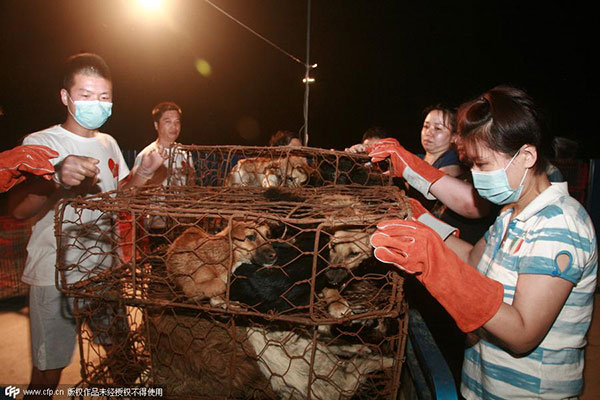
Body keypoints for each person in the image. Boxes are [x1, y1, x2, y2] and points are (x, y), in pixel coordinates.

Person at [371, 85, 597, 399]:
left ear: (527, 156)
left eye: (483, 165)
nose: (475, 176)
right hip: (482, 386)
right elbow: (472, 259)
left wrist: (437, 267)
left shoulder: (560, 224)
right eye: (471, 166)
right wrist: (419, 220)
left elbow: (522, 333)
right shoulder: (510, 215)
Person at [8, 53, 165, 396]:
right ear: (65, 97)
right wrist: (56, 177)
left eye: (104, 97)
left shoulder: (107, 143)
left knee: (124, 358)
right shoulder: (41, 143)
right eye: (86, 95)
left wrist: (143, 174)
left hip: (103, 271)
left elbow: (119, 197)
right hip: (55, 275)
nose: (97, 104)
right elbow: (18, 209)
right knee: (49, 371)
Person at [133, 101, 193, 187]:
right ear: (156, 125)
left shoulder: (185, 153)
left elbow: (191, 184)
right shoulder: (147, 155)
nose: (174, 126)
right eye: (168, 122)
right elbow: (133, 191)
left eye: (177, 122)